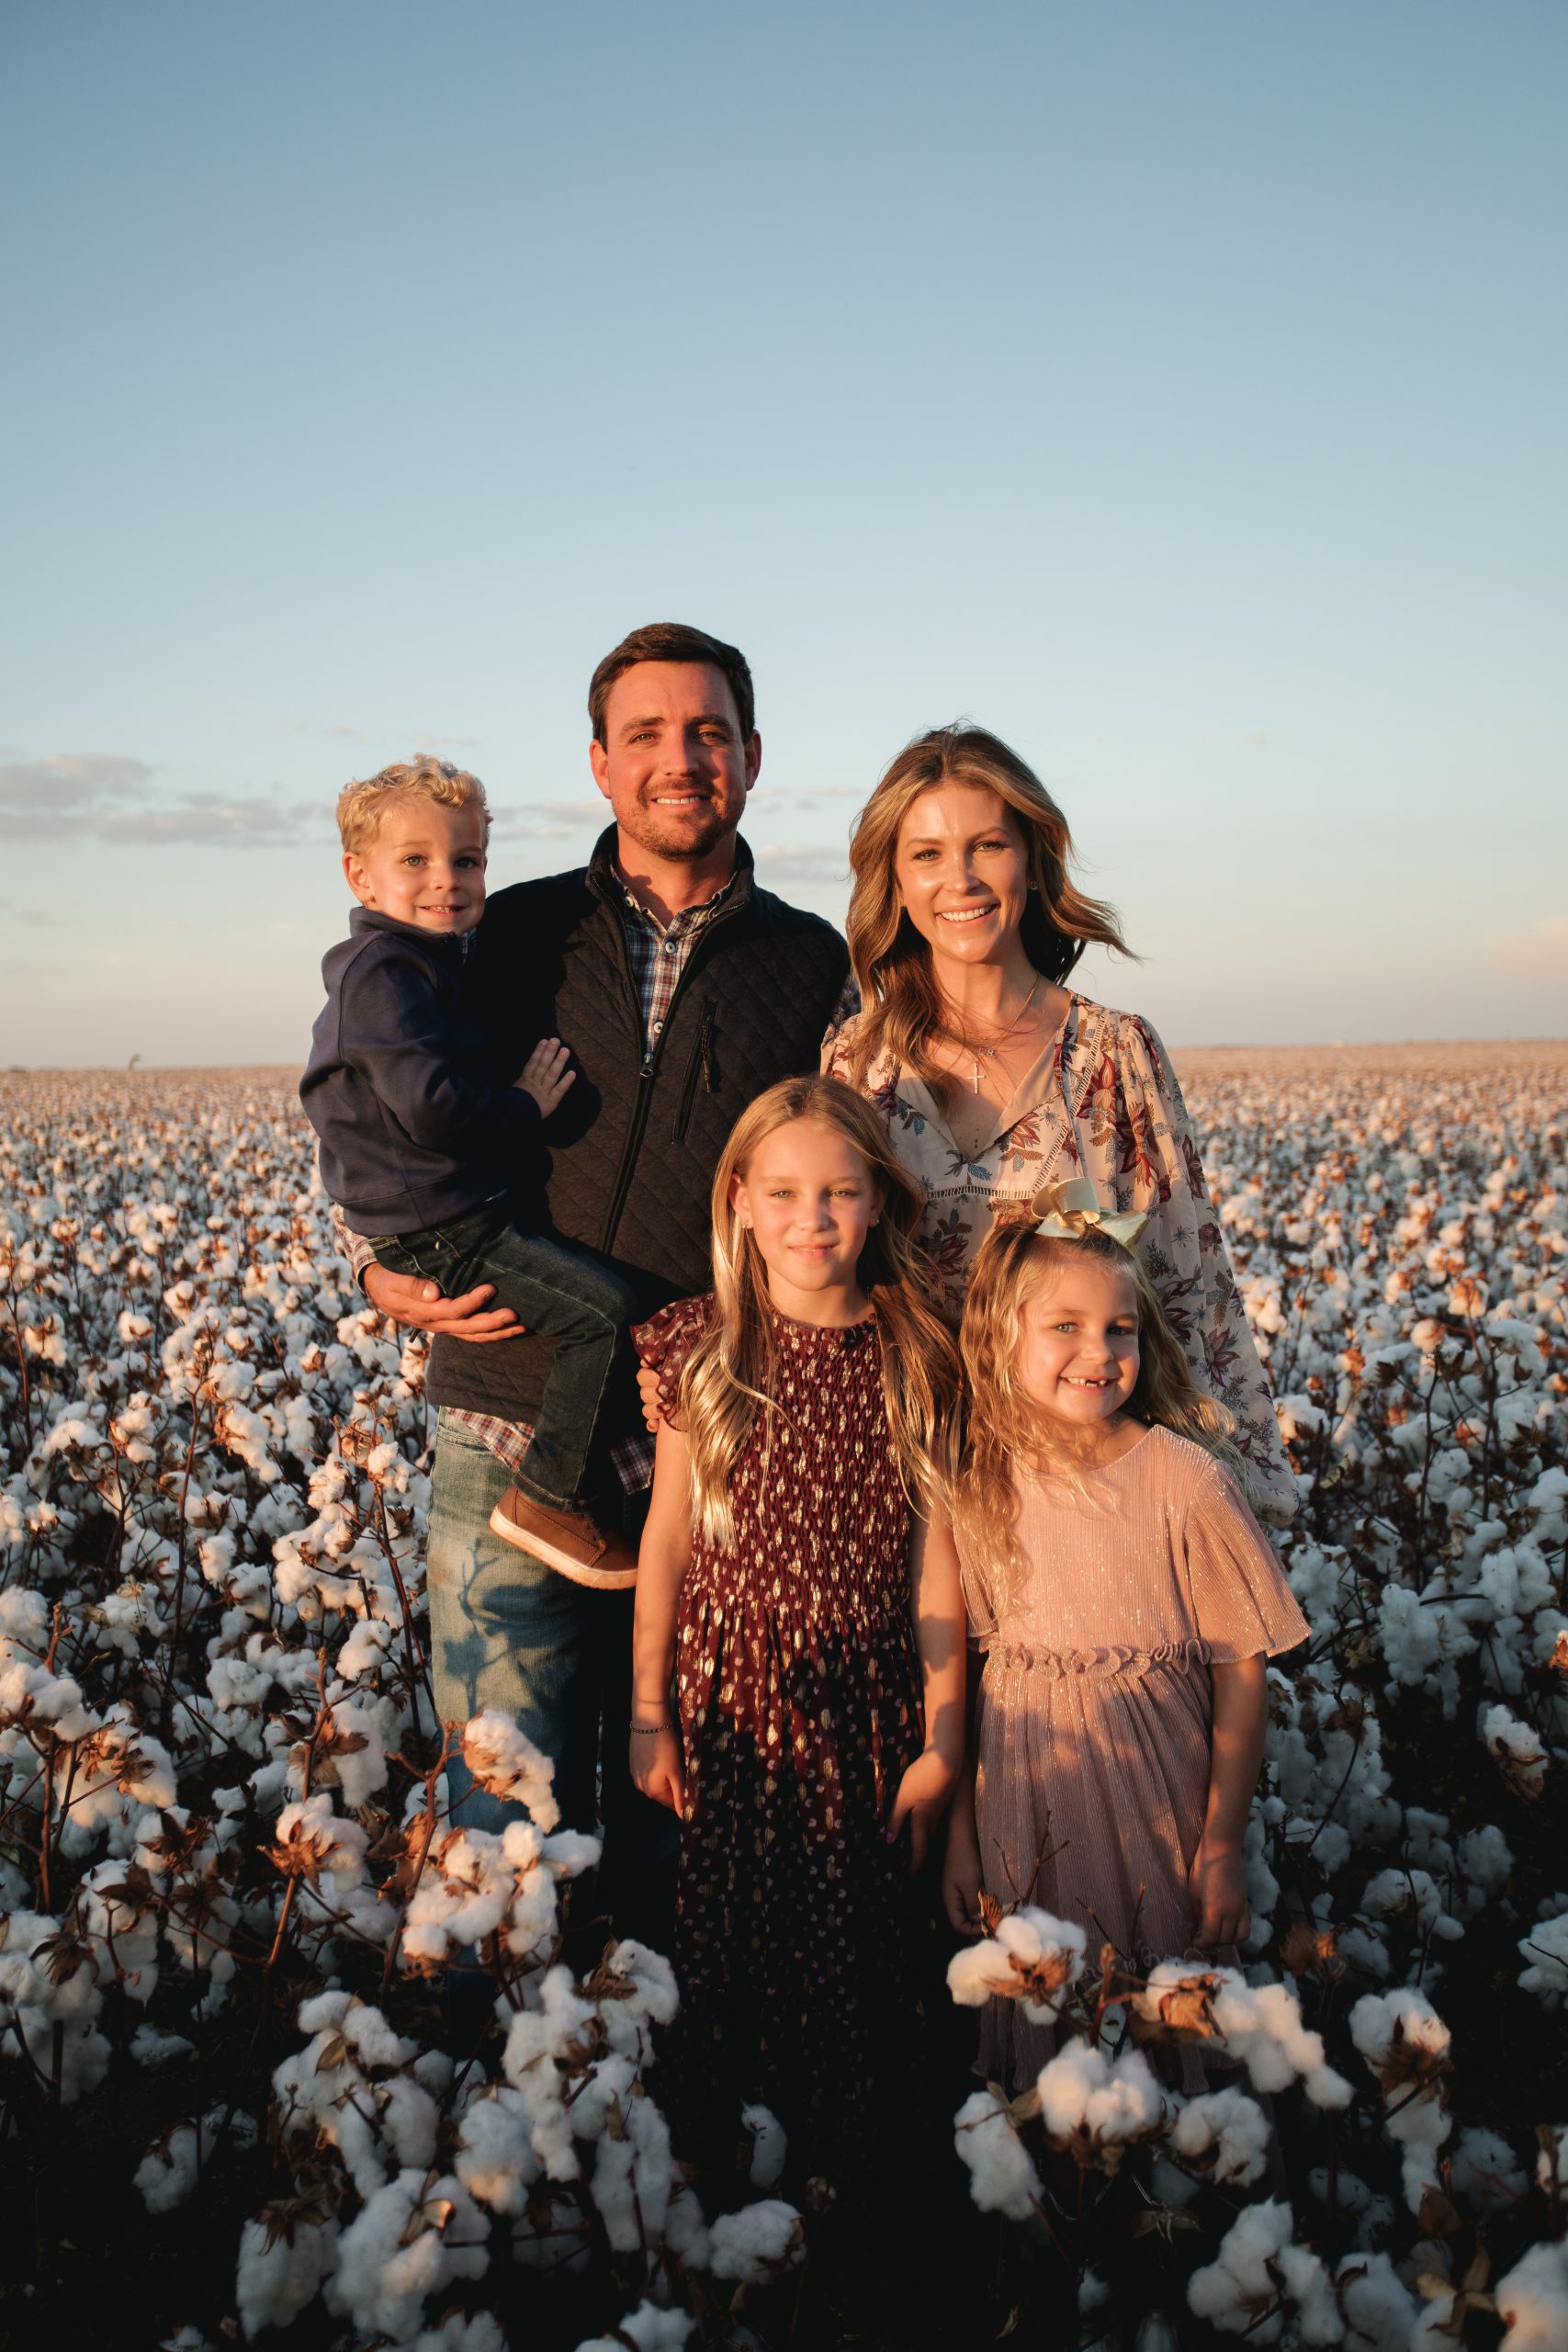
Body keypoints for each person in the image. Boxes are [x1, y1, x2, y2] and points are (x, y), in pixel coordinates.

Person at [339, 625, 853, 1914]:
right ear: (598, 763)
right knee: (499, 1805)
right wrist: (375, 1269)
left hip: (706, 1449)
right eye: (646, 736)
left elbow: (847, 1187)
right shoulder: (499, 932)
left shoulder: (810, 963)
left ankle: (647, 2084)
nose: (679, 760)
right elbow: (379, 1095)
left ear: (748, 757)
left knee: (675, 1817)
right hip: (498, 1420)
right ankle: (493, 2085)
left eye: (707, 734)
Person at [823, 724, 1297, 1524]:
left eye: (988, 846)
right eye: (927, 854)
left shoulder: (1118, 1053)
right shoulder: (855, 1064)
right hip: (904, 1489)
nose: (961, 879)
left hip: (1085, 1495)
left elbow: (1187, 1281)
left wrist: (1231, 1493)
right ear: (894, 883)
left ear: (1033, 862)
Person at [628, 1074, 965, 2182]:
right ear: (736, 1199)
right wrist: (648, 1717)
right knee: (727, 1937)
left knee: (858, 1941)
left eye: (838, 1192)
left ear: (880, 1201)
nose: (810, 1219)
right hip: (729, 1699)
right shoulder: (704, 1350)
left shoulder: (916, 1349)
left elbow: (935, 1566)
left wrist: (944, 1741)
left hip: (864, 1696)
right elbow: (669, 1543)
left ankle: (852, 2183)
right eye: (782, 1191)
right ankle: (725, 2173)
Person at [939, 1193, 1309, 2088]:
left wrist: (1221, 1840)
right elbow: (960, 1670)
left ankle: (1186, 2202)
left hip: (1161, 1801)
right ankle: (1064, 2211)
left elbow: (1241, 1671)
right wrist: (957, 1838)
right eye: (1066, 1326)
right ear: (1002, 1338)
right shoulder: (979, 1484)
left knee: (1167, 2006)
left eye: (1121, 1329)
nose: (1099, 1354)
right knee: (1046, 2007)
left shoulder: (1186, 1482)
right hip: (1026, 1803)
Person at [301, 757, 640, 1589]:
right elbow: (432, 1109)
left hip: (442, 1214)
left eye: (466, 860)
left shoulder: (430, 962)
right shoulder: (386, 973)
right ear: (359, 873)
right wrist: (525, 1103)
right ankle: (549, 1497)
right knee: (602, 1318)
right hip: (441, 1226)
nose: (446, 881)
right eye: (413, 861)